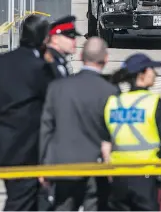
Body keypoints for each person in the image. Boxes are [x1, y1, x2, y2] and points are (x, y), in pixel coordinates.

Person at [39, 37, 118, 211]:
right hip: (96, 167)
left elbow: (46, 129)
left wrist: (43, 164)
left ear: (81, 56)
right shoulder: (110, 91)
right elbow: (114, 132)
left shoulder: (58, 87)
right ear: (106, 58)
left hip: (62, 165)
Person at [0, 13, 54, 211]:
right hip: (27, 149)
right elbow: (52, 99)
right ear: (43, 39)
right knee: (20, 202)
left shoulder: (3, 61)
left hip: (5, 146)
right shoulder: (39, 67)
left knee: (28, 198)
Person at [101, 53, 161, 211]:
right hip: (146, 178)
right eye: (152, 69)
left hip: (118, 178)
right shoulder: (153, 103)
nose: (155, 73)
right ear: (142, 74)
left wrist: (111, 178)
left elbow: (105, 148)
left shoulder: (113, 103)